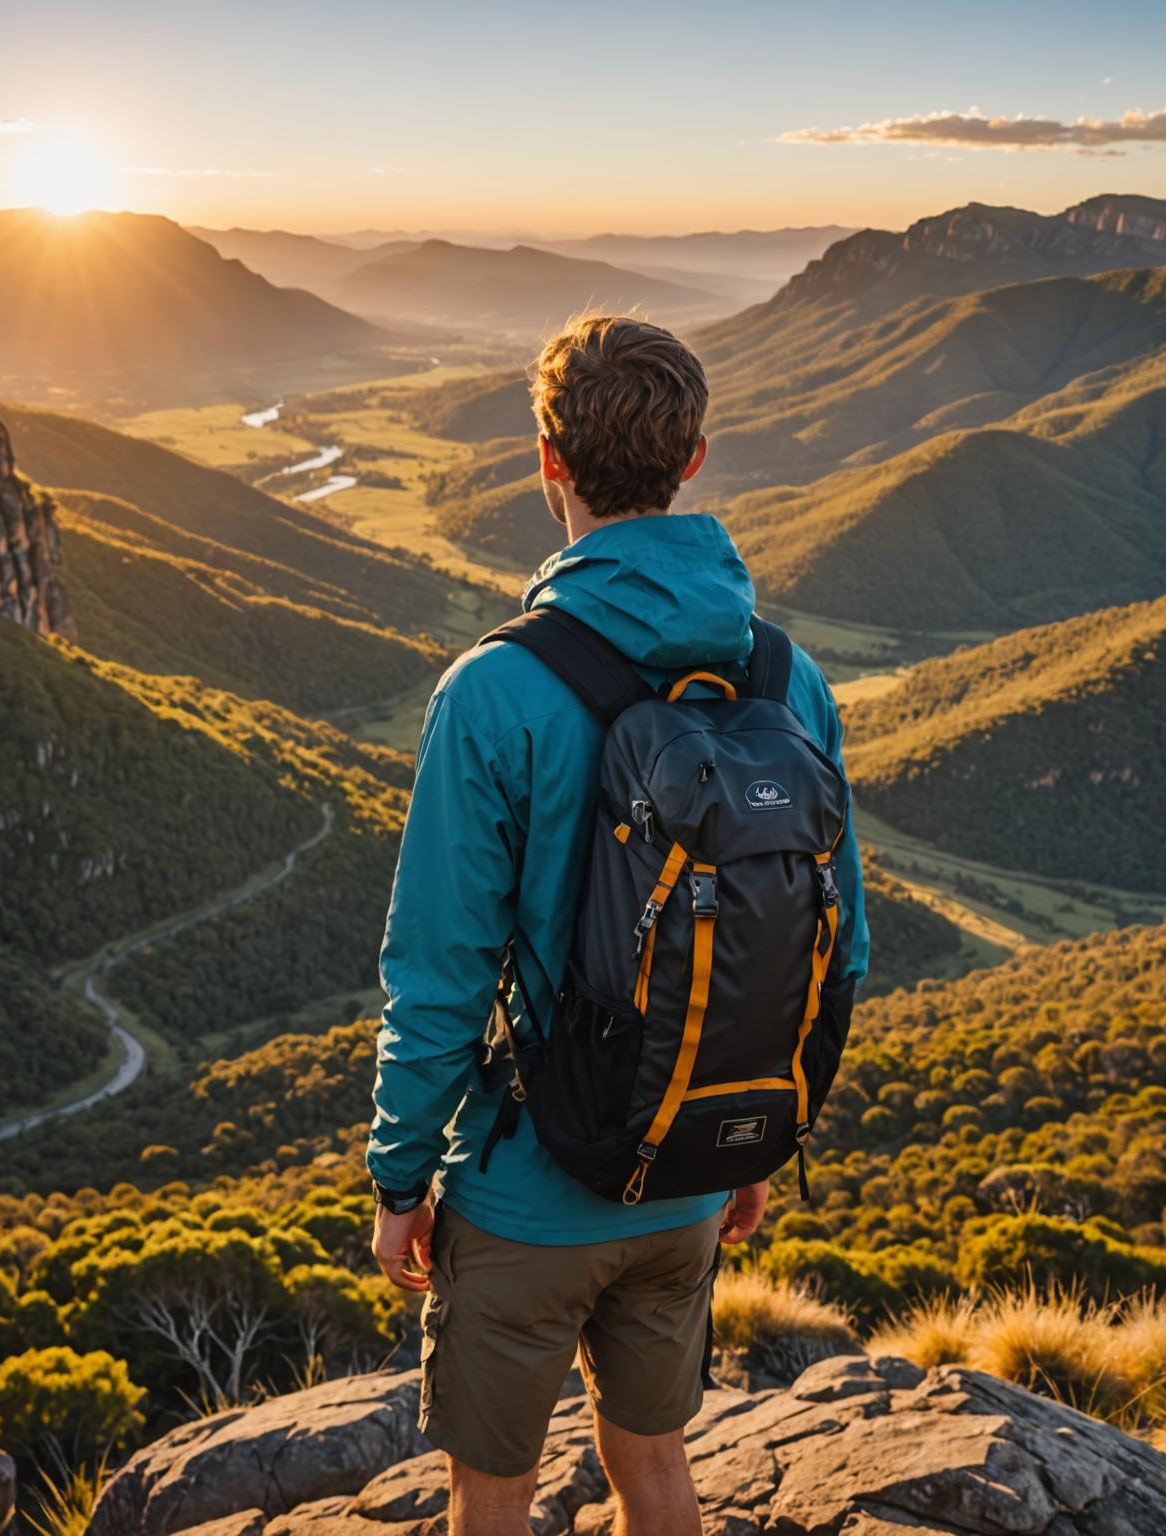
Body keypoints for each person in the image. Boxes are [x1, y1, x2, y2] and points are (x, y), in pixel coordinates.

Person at [368, 314, 868, 1536]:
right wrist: (749, 1135)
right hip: (693, 1169)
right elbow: (835, 945)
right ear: (695, 458)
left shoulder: (495, 687)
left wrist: (399, 1176)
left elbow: (439, 970)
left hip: (533, 1185)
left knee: (492, 1492)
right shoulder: (783, 677)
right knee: (654, 1460)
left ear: (548, 458)